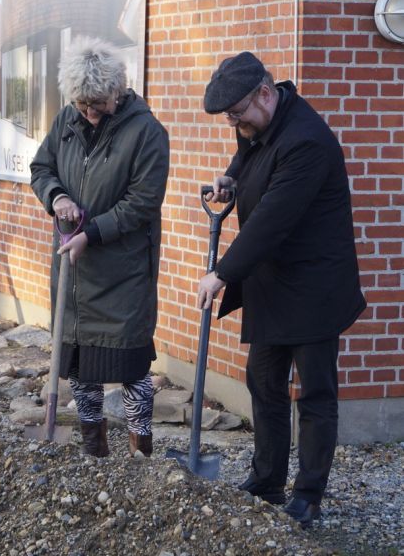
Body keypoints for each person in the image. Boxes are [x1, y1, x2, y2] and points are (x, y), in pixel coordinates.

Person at [198, 52, 366, 527]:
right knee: (264, 381)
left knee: (314, 393)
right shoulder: (259, 122)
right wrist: (232, 176)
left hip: (315, 285)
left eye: (238, 114)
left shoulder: (308, 141)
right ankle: (267, 479)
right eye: (229, 117)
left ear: (265, 94)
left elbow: (272, 220)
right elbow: (249, 150)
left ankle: (308, 495)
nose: (235, 124)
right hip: (273, 282)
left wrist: (223, 272)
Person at [30, 36, 169, 458]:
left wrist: (92, 232)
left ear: (118, 90)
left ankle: (139, 452)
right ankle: (94, 451)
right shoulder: (66, 122)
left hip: (123, 271)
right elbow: (42, 167)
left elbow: (142, 203)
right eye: (82, 105)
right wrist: (57, 197)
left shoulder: (146, 132)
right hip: (74, 273)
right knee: (80, 368)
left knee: (130, 369)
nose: (91, 114)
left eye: (99, 104)